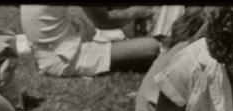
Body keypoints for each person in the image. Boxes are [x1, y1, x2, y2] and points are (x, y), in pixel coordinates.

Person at [20, 6, 178, 78]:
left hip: (53, 50)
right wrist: (138, 10)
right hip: (64, 59)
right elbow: (105, 21)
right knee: (154, 47)